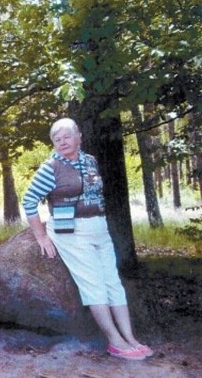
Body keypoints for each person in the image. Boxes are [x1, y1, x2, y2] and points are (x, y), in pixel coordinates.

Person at [22, 118, 153, 361]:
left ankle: (130, 338)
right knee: (94, 285)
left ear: (79, 136)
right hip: (71, 232)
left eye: (67, 137)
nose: (62, 142)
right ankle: (115, 341)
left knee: (113, 283)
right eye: (57, 139)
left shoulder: (90, 161)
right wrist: (40, 236)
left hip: (99, 227)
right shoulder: (50, 168)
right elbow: (29, 201)